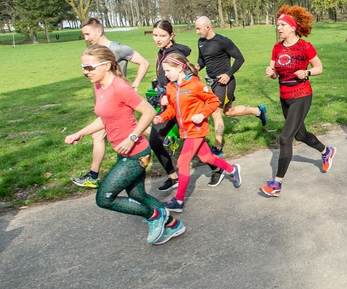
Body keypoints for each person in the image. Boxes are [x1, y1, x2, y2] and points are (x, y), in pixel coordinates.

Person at [64, 45, 184, 245]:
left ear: (108, 65)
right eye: (83, 67)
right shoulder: (99, 86)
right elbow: (105, 117)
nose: (86, 72)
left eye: (90, 67)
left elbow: (148, 112)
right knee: (138, 195)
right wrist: (81, 133)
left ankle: (155, 216)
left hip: (136, 154)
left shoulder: (120, 88)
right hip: (124, 153)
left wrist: (132, 137)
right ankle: (174, 225)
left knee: (104, 198)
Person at [259, 6, 336, 197]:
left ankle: (277, 183)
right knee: (300, 135)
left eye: (282, 25)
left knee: (285, 138)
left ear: (292, 27)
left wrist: (307, 72)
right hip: (284, 96)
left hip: (301, 95)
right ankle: (327, 151)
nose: (279, 28)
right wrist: (271, 73)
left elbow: (319, 67)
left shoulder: (305, 47)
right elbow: (274, 71)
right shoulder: (277, 48)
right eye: (278, 25)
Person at [154, 54, 242, 212]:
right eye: (164, 71)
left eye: (168, 71)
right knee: (206, 157)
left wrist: (202, 114)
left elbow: (214, 101)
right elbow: (172, 109)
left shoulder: (195, 84)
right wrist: (161, 117)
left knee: (182, 162)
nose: (165, 74)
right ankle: (232, 169)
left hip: (197, 129)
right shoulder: (171, 87)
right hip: (185, 130)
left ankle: (178, 201)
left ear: (180, 67)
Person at [71, 17, 151, 189]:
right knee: (131, 130)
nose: (85, 38)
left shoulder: (117, 48)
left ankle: (93, 175)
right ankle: (161, 140)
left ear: (98, 31)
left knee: (108, 134)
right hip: (106, 102)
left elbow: (144, 63)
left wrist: (135, 84)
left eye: (87, 33)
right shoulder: (92, 54)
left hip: (121, 98)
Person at [195, 16, 267, 186]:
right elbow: (202, 60)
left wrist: (228, 74)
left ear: (208, 26)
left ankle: (217, 149)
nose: (197, 31)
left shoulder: (222, 41)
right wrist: (197, 67)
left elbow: (240, 58)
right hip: (211, 82)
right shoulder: (201, 42)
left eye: (199, 28)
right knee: (229, 112)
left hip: (225, 82)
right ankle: (258, 111)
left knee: (216, 112)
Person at [148, 20, 190, 192]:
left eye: (162, 36)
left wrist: (168, 93)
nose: (158, 39)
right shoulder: (162, 52)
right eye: (155, 35)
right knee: (155, 139)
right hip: (168, 103)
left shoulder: (174, 54)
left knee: (195, 143)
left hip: (181, 103)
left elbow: (187, 78)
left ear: (171, 36)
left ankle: (220, 169)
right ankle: (172, 177)